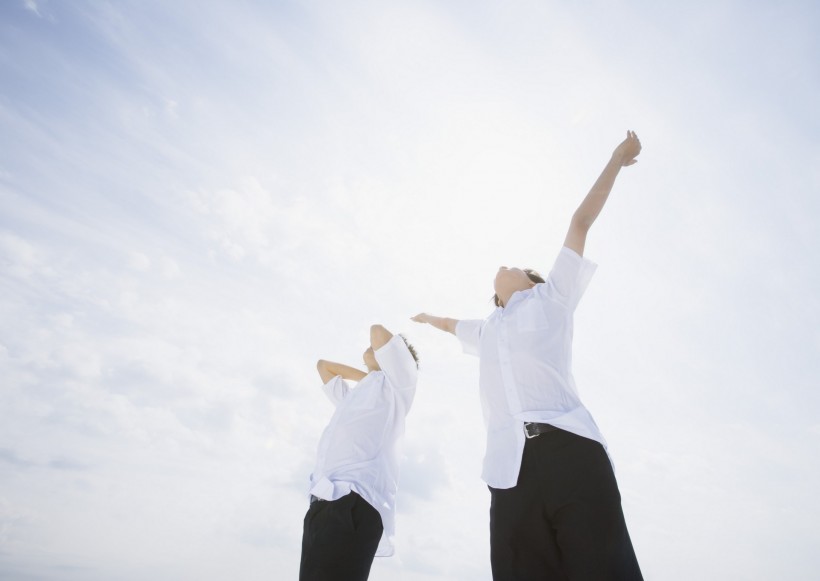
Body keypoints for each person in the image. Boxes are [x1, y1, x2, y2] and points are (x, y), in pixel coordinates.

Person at [412, 131, 644, 580]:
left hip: (569, 449)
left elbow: (580, 222)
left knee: (603, 567)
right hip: (508, 469)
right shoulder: (487, 330)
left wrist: (616, 159)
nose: (508, 264)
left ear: (533, 282)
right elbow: (450, 324)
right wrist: (429, 319)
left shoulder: (553, 298)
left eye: (519, 266)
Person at [299, 324, 419, 581]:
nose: (370, 348)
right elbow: (323, 366)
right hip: (324, 499)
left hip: (354, 501)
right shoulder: (361, 395)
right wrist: (369, 378)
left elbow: (377, 332)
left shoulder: (398, 385)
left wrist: (376, 375)